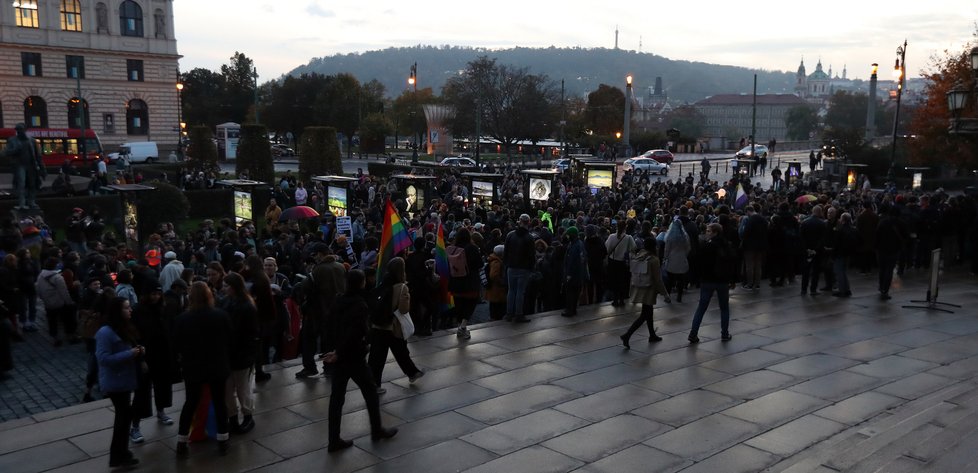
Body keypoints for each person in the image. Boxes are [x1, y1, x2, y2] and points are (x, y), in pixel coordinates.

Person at [324, 269, 398, 452]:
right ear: (362, 283)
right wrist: (341, 351)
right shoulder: (360, 305)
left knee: (336, 399)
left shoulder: (337, 300)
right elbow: (356, 333)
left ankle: (333, 439)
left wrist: (332, 350)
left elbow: (329, 326)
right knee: (370, 393)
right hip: (354, 357)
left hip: (339, 358)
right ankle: (376, 430)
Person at [174, 282, 232, 457]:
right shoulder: (221, 315)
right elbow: (230, 339)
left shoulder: (182, 319)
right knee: (220, 402)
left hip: (193, 367)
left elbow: (176, 345)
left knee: (190, 403)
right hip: (216, 365)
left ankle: (182, 442)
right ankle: (223, 439)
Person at [94, 297, 142, 468]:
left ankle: (122, 452)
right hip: (116, 382)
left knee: (124, 417)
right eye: (126, 308)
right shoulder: (105, 332)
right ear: (117, 311)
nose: (130, 311)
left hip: (123, 380)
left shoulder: (122, 328)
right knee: (123, 418)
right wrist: (130, 354)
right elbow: (103, 358)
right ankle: (118, 455)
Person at [368, 257, 423, 394]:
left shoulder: (382, 282)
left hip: (378, 325)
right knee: (401, 351)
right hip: (392, 326)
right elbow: (404, 309)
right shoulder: (402, 287)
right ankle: (412, 373)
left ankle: (374, 383)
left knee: (377, 358)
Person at [130, 282, 175, 443]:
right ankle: (135, 425)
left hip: (161, 353)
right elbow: (134, 335)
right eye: (153, 294)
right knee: (142, 391)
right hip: (145, 354)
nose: (155, 297)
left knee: (162, 384)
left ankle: (161, 411)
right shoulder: (138, 311)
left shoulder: (163, 308)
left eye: (158, 294)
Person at [221, 272, 259, 434]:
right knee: (228, 390)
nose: (223, 288)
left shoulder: (246, 306)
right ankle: (233, 418)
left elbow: (250, 333)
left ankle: (247, 416)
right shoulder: (226, 302)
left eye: (226, 285)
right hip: (230, 354)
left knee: (242, 388)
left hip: (241, 354)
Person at [687, 223, 737, 343]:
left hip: (707, 280)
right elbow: (732, 264)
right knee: (724, 308)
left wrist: (698, 278)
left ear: (715, 233)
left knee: (701, 308)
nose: (706, 233)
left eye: (709, 231)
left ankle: (693, 334)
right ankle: (724, 333)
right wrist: (732, 279)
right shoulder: (726, 245)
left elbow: (699, 263)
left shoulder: (706, 246)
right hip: (722, 280)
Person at [621, 237, 670, 348]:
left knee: (648, 313)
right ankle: (627, 335)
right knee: (644, 315)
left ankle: (652, 335)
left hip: (640, 287)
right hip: (649, 289)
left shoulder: (640, 255)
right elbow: (658, 280)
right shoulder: (654, 259)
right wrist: (665, 294)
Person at [447, 228, 482, 339]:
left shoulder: (452, 249)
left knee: (459, 304)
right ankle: (463, 326)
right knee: (470, 304)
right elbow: (479, 264)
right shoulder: (472, 248)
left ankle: (459, 326)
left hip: (455, 281)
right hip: (470, 281)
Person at [1, 123, 45, 210]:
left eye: (21, 129)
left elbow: (38, 156)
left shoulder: (32, 141)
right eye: (18, 130)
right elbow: (4, 152)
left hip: (31, 165)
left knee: (32, 184)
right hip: (19, 165)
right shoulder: (12, 140)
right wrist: (15, 150)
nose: (19, 131)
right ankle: (22, 203)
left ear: (25, 130)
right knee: (21, 184)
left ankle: (31, 202)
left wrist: (42, 168)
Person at [504, 213, 535, 323]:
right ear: (529, 222)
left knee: (511, 290)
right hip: (524, 267)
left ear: (519, 221)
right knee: (520, 291)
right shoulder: (530, 237)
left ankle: (509, 313)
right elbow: (532, 255)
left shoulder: (510, 235)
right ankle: (518, 314)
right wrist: (532, 268)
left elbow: (506, 251)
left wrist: (506, 264)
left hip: (511, 266)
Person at [605, 220, 636, 306]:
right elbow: (634, 249)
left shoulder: (611, 237)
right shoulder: (629, 238)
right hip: (623, 263)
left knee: (614, 282)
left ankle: (615, 300)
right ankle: (622, 300)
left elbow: (607, 249)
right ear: (625, 227)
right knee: (623, 282)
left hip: (613, 262)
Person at [662, 219, 691, 302]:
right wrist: (684, 255)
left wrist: (665, 258)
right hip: (682, 259)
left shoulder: (669, 236)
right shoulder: (685, 236)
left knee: (670, 280)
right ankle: (679, 296)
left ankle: (668, 296)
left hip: (671, 259)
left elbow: (666, 249)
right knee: (681, 279)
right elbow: (688, 248)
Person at [561, 226, 587, 317]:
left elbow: (571, 261)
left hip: (573, 274)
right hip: (579, 274)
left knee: (570, 293)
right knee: (575, 292)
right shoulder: (580, 243)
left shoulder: (574, 246)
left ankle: (569, 310)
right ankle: (573, 309)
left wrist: (568, 274)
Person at [485, 245, 507, 320]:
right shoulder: (496, 262)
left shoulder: (493, 260)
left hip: (494, 288)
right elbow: (493, 275)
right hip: (497, 288)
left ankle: (494, 317)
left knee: (494, 304)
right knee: (497, 305)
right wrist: (501, 282)